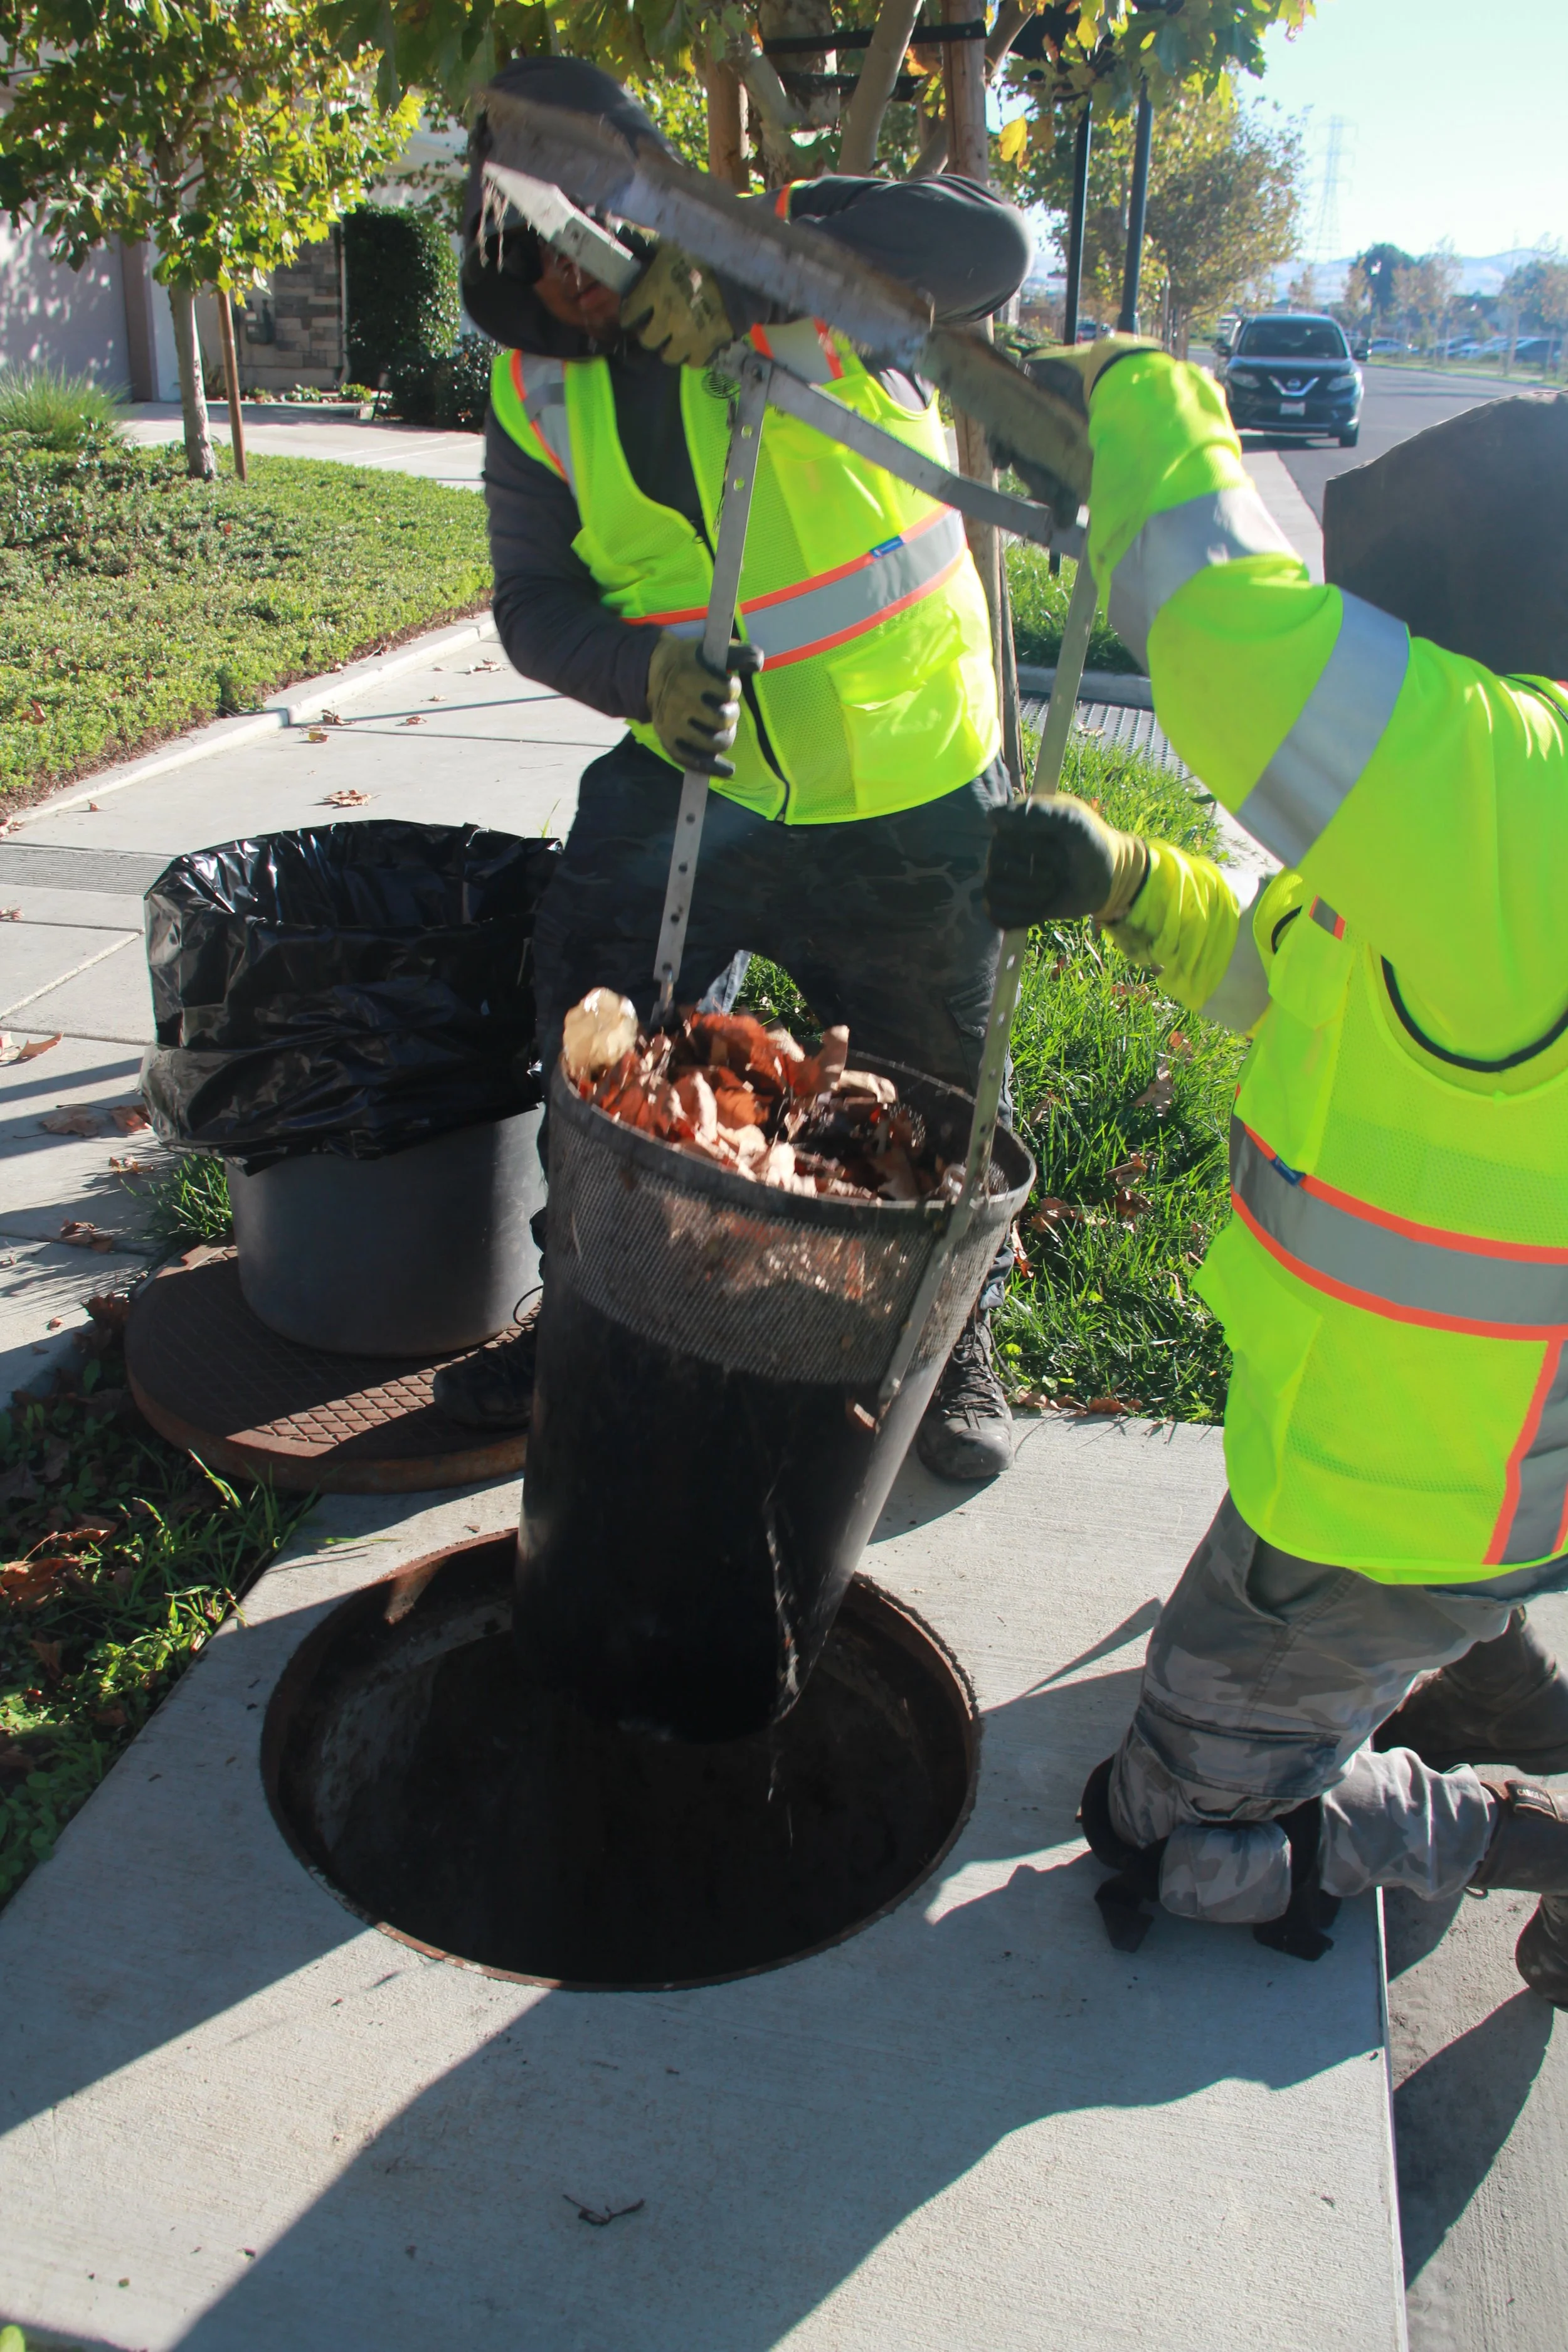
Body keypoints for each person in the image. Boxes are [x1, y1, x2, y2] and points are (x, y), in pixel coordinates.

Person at [985, 342, 1568, 1999]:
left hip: (1396, 1490)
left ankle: (1493, 1814)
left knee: (1176, 1832)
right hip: (1418, 1457)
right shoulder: (1469, 876)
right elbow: (1300, 970)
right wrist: (1126, 882)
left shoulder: (1530, 805)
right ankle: (1468, 1651)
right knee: (1377, 1617)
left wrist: (1146, 403)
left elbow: (1237, 664)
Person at [433, 55, 1034, 1482]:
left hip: (909, 783)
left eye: (602, 243)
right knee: (593, 1033)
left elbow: (990, 247)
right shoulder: (531, 393)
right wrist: (638, 677)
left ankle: (943, 1342)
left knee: (932, 1084)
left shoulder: (799, 250)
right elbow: (534, 604)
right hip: (698, 779)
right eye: (547, 260)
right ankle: (587, 1301)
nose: (581, 293)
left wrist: (747, 272)